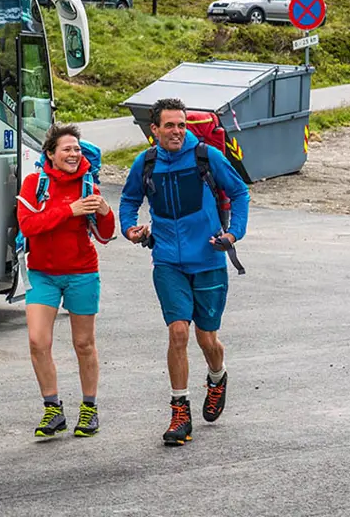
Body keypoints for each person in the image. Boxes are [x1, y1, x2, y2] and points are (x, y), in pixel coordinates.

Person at [118, 98, 250, 446]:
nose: (177, 132)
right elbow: (129, 200)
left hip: (208, 259)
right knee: (178, 333)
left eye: (182, 125)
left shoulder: (206, 157)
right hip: (167, 262)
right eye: (170, 126)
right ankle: (180, 410)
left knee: (207, 339)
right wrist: (130, 228)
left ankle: (217, 377)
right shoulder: (146, 163)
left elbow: (239, 192)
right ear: (155, 130)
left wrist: (233, 233)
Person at [16, 123, 116, 438]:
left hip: (82, 273)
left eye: (76, 148)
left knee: (84, 344)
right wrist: (69, 210)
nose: (73, 154)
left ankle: (89, 408)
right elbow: (29, 225)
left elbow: (105, 235)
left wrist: (104, 210)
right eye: (66, 149)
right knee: (37, 341)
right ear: (50, 154)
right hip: (42, 274)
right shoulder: (34, 184)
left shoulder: (89, 186)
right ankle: (52, 409)